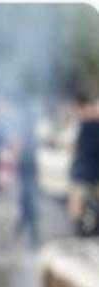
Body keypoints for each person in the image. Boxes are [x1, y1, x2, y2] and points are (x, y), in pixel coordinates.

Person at [68, 91, 99, 236]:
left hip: (84, 173)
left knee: (78, 203)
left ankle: (80, 231)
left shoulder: (85, 125)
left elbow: (75, 148)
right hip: (90, 172)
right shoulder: (85, 124)